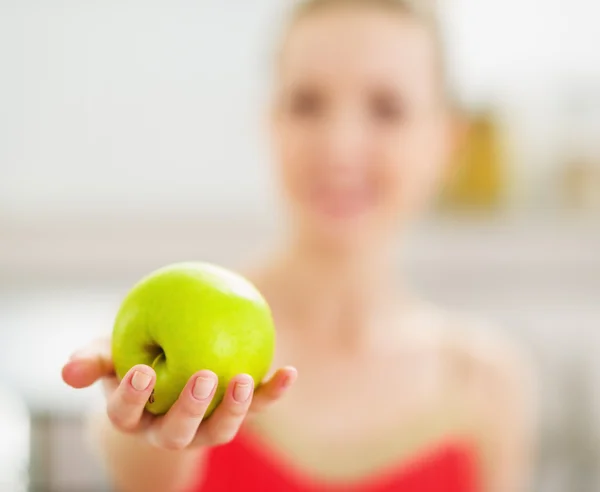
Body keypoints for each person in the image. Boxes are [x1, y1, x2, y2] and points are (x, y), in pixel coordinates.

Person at [62, 0, 537, 491]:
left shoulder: (487, 382)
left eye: (387, 108)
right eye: (308, 103)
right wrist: (150, 437)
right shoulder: (191, 368)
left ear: (448, 141)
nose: (340, 146)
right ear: (271, 123)